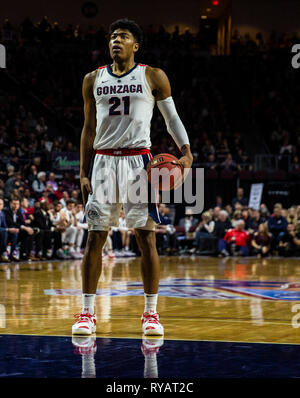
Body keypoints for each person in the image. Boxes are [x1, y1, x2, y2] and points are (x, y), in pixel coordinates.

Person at [72, 18, 193, 336]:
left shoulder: (153, 75)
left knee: (145, 237)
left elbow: (172, 118)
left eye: (122, 36)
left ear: (135, 45)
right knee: (95, 237)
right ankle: (87, 313)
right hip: (103, 162)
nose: (115, 40)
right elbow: (88, 129)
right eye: (112, 36)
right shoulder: (92, 79)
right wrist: (83, 172)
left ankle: (151, 314)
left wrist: (187, 151)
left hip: (140, 164)